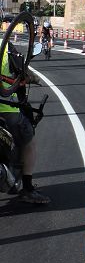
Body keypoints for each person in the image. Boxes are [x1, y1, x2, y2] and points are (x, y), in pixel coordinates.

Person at [0, 40, 49, 205]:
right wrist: (33, 78)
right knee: (29, 142)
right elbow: (23, 73)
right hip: (6, 108)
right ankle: (27, 188)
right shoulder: (5, 45)